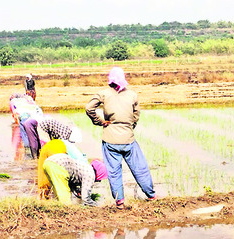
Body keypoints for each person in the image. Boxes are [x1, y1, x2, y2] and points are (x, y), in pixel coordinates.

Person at [85, 67, 156, 209]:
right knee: (139, 168)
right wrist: (129, 127)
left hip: (110, 139)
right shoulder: (132, 95)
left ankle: (120, 202)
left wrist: (100, 122)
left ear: (110, 80)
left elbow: (89, 108)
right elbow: (136, 116)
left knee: (114, 172)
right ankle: (151, 196)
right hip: (128, 139)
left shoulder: (103, 94)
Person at [42, 153, 108, 206]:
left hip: (48, 163)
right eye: (100, 179)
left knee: (57, 194)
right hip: (58, 165)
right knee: (65, 200)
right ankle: (66, 215)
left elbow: (71, 182)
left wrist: (77, 191)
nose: (99, 181)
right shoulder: (91, 174)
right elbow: (85, 198)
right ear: (100, 174)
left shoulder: (86, 167)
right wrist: (96, 205)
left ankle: (55, 211)